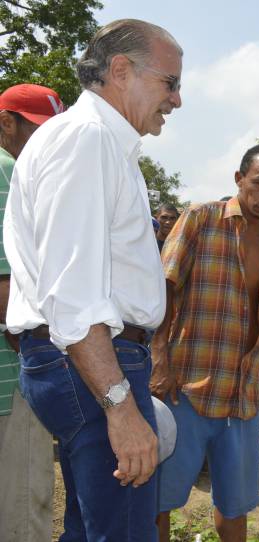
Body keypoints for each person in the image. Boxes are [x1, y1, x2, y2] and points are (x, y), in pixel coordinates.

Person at [3, 19, 182, 541]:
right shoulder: (86, 140)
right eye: (169, 83)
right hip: (90, 362)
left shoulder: (99, 143)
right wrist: (121, 408)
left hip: (84, 363)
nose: (176, 100)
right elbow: (74, 293)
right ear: (121, 71)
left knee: (92, 531)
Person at [150, 143, 259, 542]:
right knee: (159, 500)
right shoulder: (201, 218)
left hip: (243, 399)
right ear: (239, 179)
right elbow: (165, 288)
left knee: (235, 506)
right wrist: (159, 357)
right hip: (186, 389)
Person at [0, 83, 63, 542]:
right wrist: (38, 357)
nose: (44, 144)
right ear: (7, 123)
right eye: (36, 131)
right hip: (10, 377)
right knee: (24, 508)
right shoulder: (8, 170)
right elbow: (6, 283)